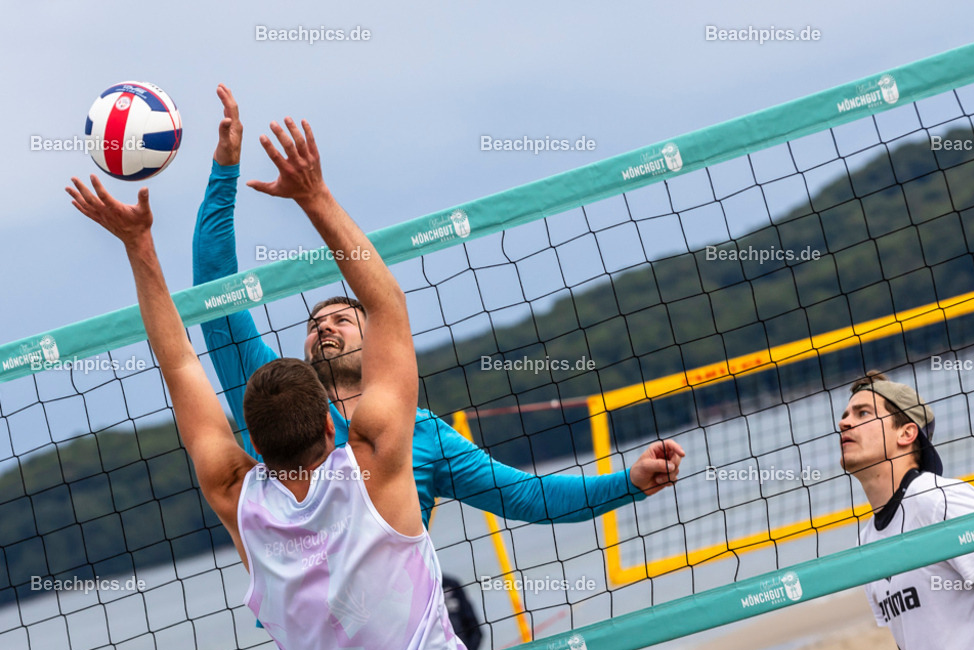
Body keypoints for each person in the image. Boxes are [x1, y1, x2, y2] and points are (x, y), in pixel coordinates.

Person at [66, 115, 478, 650]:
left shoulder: (236, 496)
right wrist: (315, 197)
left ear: (253, 444)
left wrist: (139, 245)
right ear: (333, 428)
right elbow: (388, 308)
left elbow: (180, 362)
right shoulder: (378, 461)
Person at [193, 83, 684, 533]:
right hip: (308, 630)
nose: (324, 327)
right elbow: (216, 295)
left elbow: (529, 496)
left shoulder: (419, 432)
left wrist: (629, 481)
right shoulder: (271, 402)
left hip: (405, 627)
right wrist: (225, 171)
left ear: (377, 346)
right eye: (315, 324)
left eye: (343, 319)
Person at [839, 370, 974, 650]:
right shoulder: (867, 540)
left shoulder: (937, 500)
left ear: (906, 434)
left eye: (863, 413)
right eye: (845, 415)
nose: (844, 423)